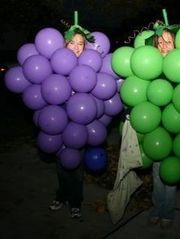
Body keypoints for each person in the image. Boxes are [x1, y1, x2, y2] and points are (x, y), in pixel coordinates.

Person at [49, 29, 87, 220]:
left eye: (80, 44)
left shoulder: (88, 67)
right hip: (57, 125)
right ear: (64, 44)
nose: (76, 47)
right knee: (61, 167)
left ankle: (75, 202)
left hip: (78, 126)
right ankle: (62, 196)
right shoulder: (56, 65)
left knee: (76, 167)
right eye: (72, 43)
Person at [148, 30, 176, 229]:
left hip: (177, 130)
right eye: (160, 42)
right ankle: (157, 209)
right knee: (157, 175)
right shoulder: (151, 69)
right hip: (156, 130)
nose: (164, 46)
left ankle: (168, 212)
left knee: (171, 174)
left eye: (169, 41)